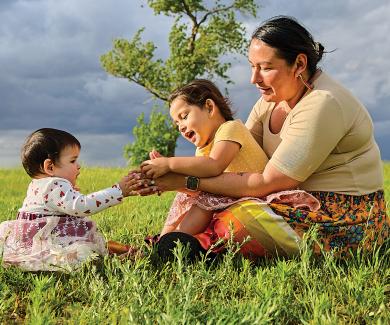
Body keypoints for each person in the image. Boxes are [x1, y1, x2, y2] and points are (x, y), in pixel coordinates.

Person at [135, 16, 389, 258]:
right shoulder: (269, 102)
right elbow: (241, 161)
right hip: (287, 204)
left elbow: (268, 182)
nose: (253, 79)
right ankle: (170, 244)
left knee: (241, 218)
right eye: (252, 66)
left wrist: (189, 181)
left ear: (299, 64)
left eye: (266, 68)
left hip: (340, 216)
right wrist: (175, 181)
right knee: (212, 202)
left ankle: (197, 248)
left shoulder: (323, 103)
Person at [140, 79, 269, 236]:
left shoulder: (231, 128)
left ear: (209, 107)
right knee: (188, 197)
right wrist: (167, 180)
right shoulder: (203, 150)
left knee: (206, 200)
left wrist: (169, 163)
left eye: (184, 116)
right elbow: (198, 187)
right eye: (176, 123)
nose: (180, 126)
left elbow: (214, 165)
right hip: (231, 196)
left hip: (258, 196)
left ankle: (175, 240)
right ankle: (163, 240)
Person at [0, 128, 137, 271]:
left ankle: (114, 255)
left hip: (36, 242)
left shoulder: (38, 184)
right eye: (73, 160)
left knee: (82, 251)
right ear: (50, 167)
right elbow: (81, 206)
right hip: (49, 242)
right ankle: (111, 261)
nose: (78, 166)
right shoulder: (55, 184)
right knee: (83, 254)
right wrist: (117, 191)